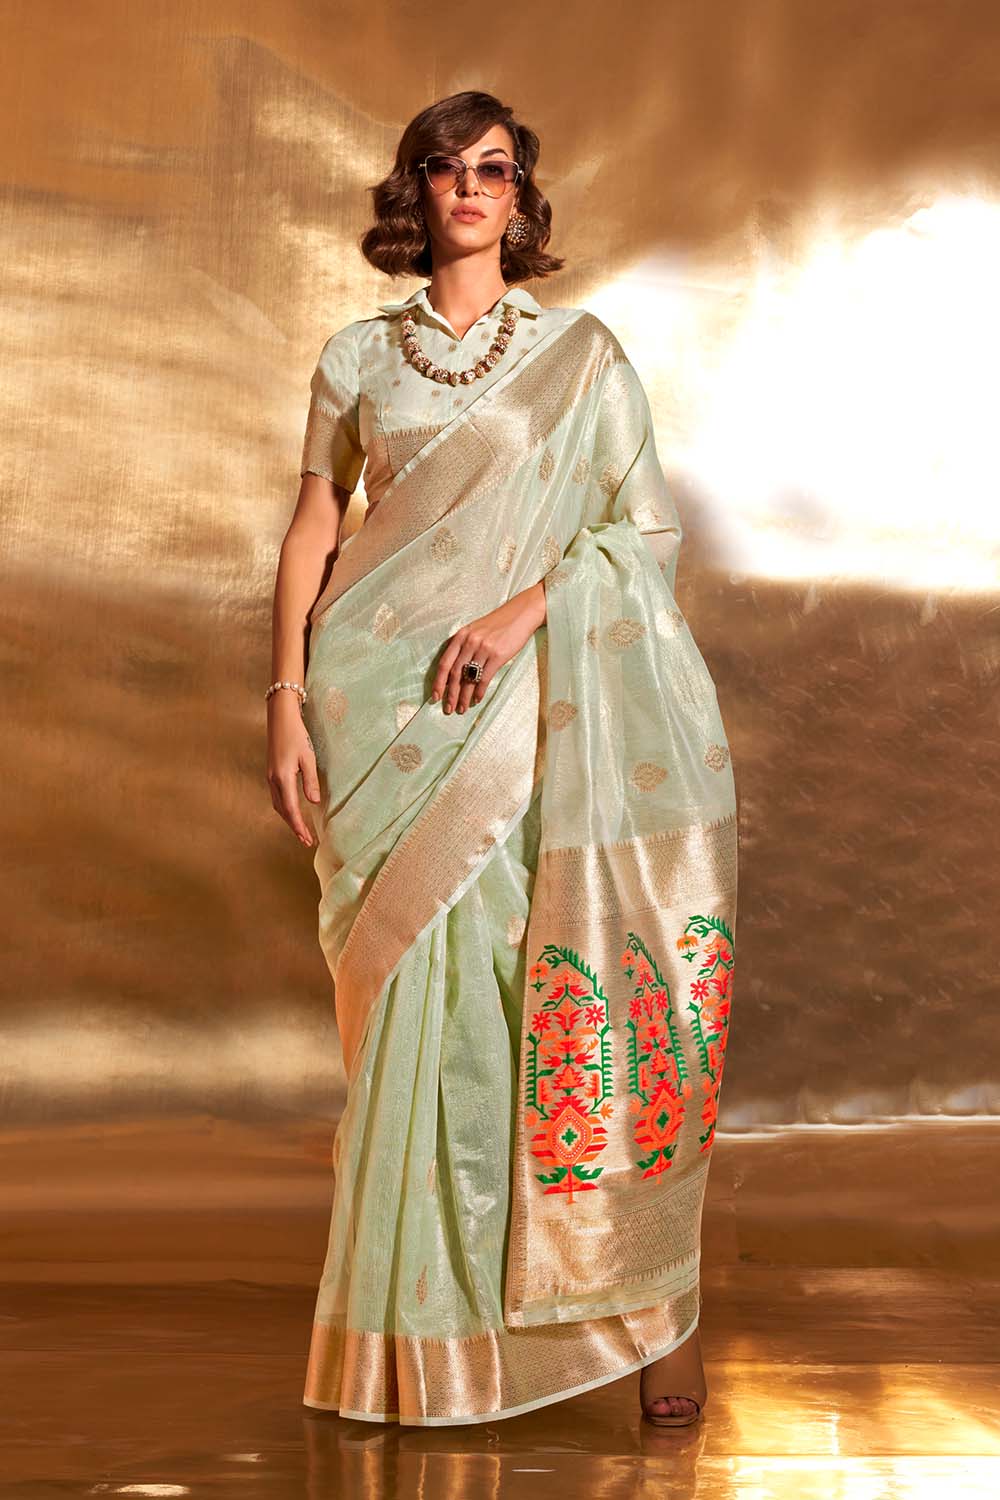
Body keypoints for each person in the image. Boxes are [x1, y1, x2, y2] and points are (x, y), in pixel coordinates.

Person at [266, 89, 738, 1429]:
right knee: (407, 1027)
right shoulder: (359, 356)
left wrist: (528, 608)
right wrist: (285, 696)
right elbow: (313, 531)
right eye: (443, 167)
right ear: (412, 193)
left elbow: (642, 535)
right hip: (373, 713)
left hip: (522, 704)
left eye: (492, 169)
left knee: (532, 1006)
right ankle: (417, 1342)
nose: (467, 187)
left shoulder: (582, 357)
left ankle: (646, 1318)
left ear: (522, 199)